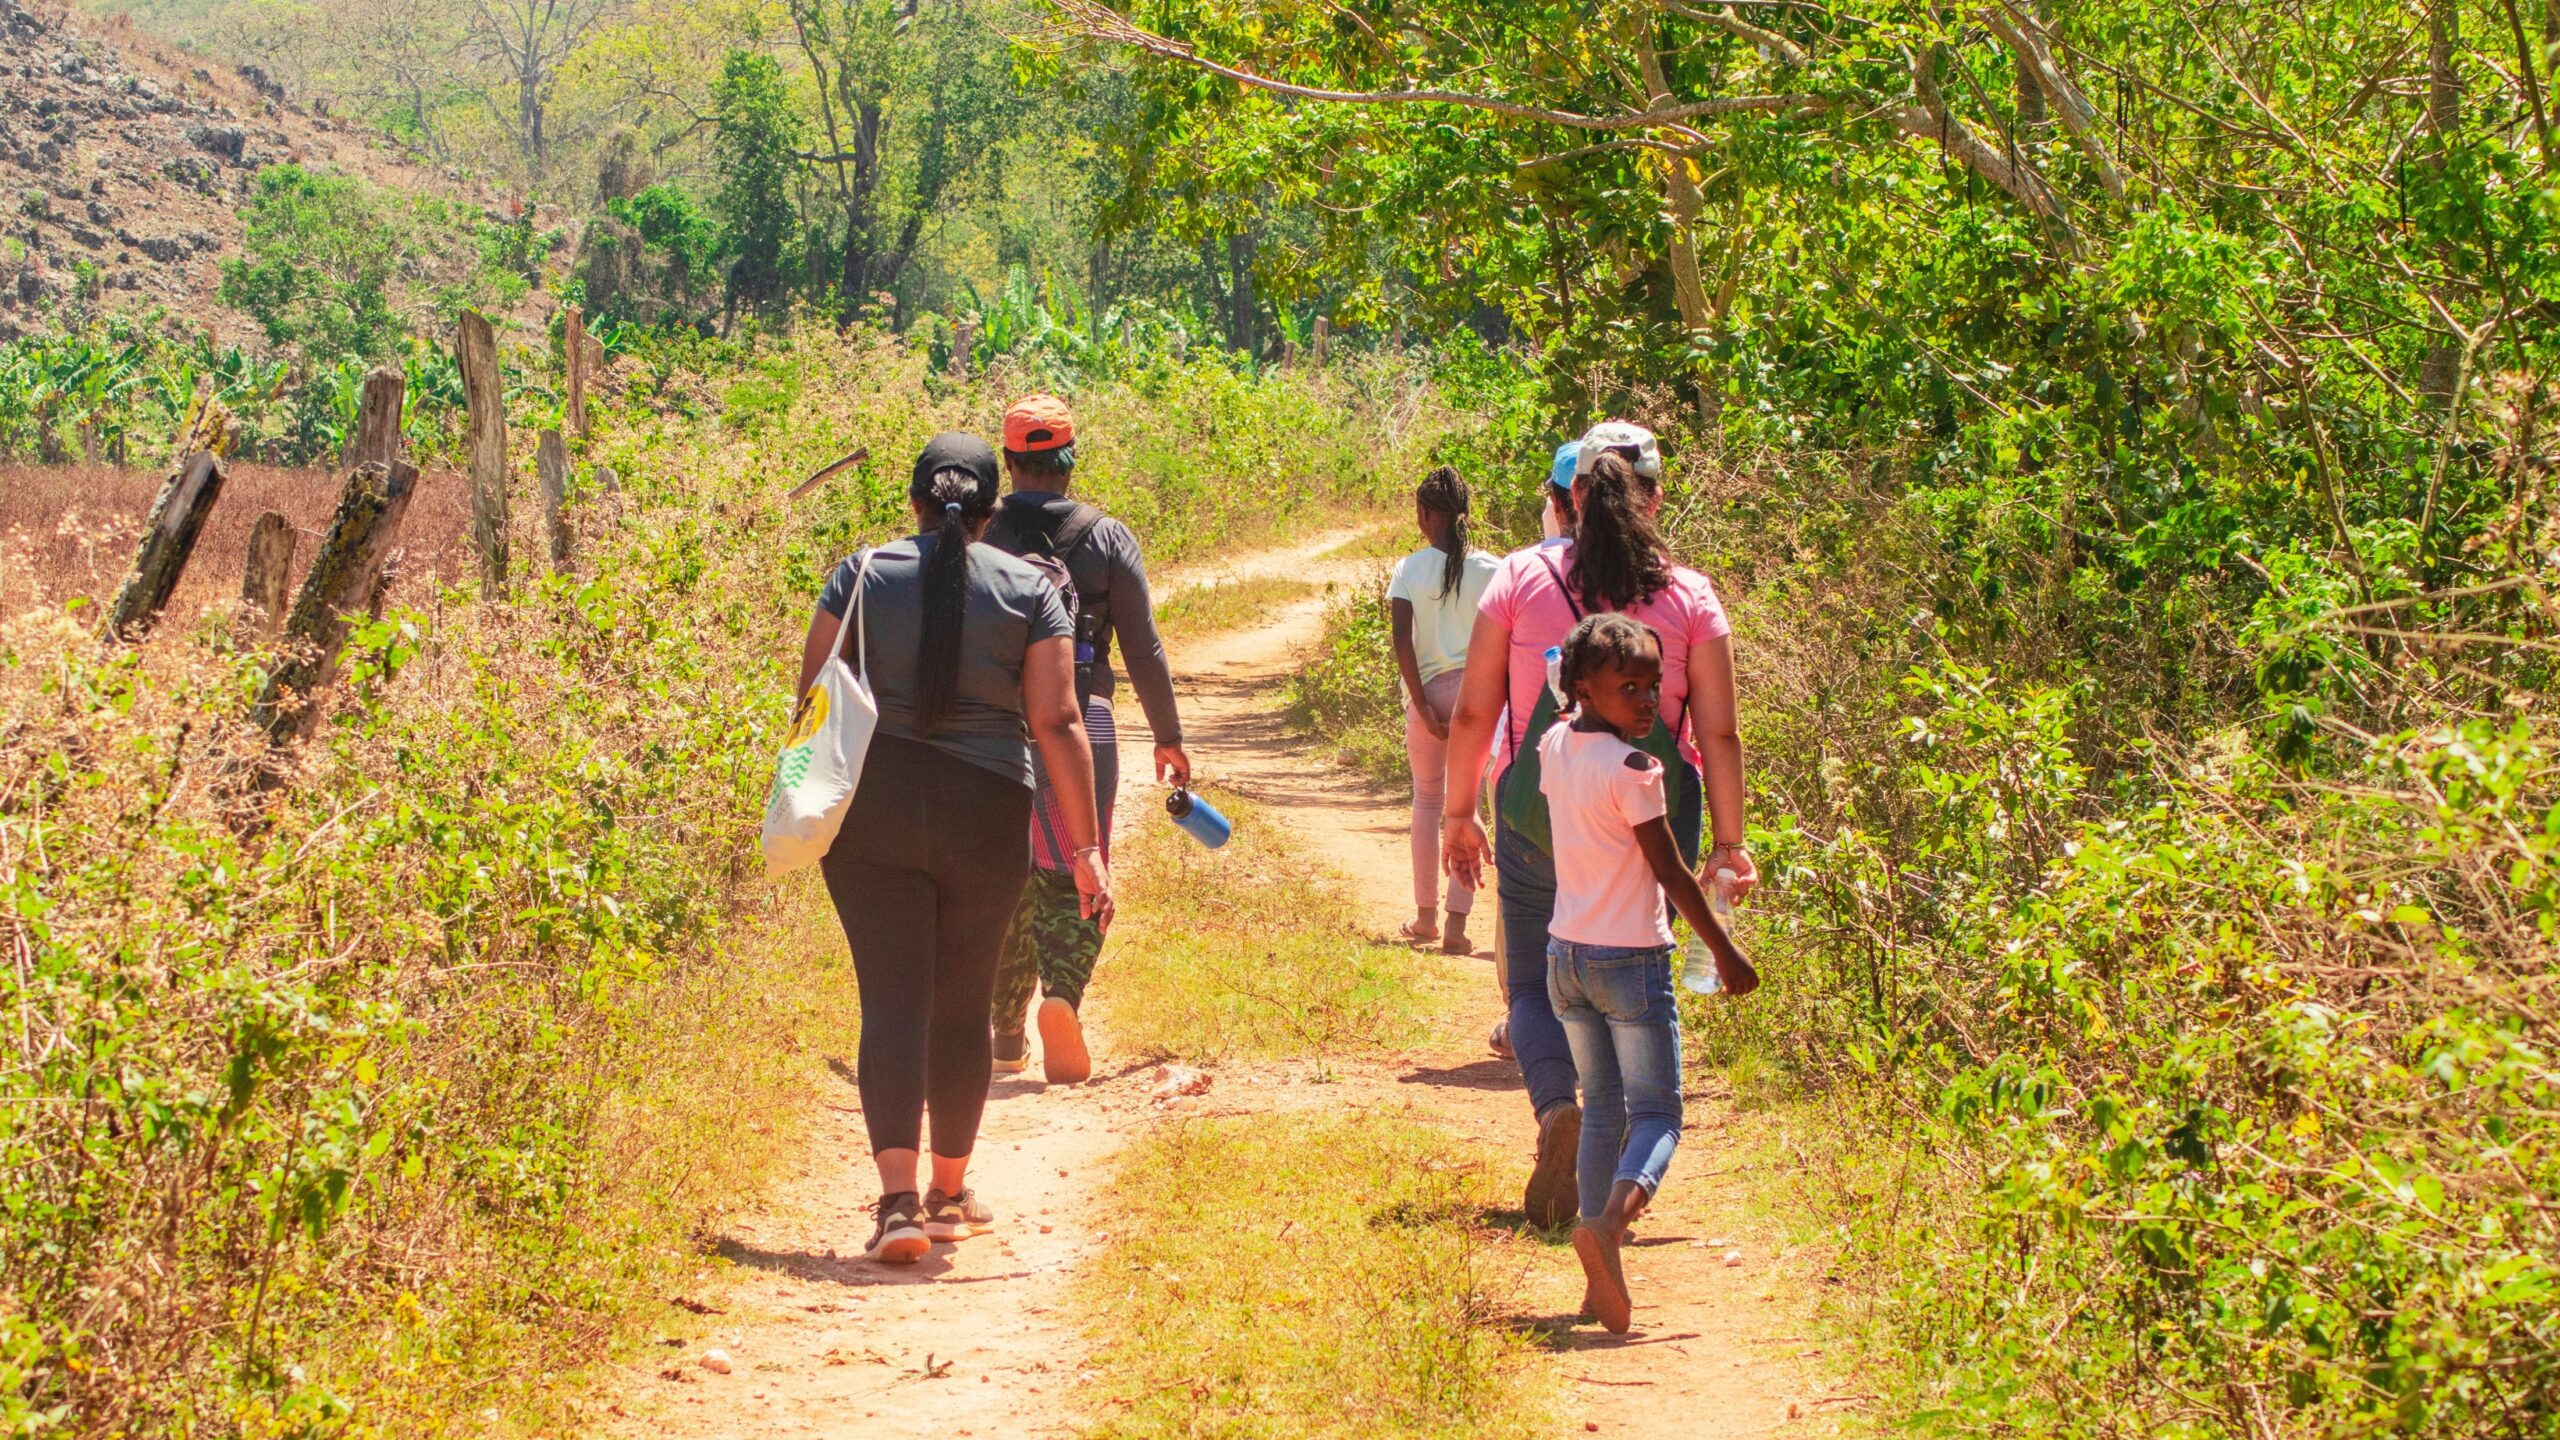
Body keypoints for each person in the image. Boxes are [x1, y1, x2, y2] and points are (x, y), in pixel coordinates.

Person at [797, 432, 1111, 1263]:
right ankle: (947, 1192)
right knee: (962, 1004)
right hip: (986, 813)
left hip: (874, 811)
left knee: (892, 1001)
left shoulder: (859, 576)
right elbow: (1057, 721)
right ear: (988, 510)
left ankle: (896, 1203)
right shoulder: (1031, 589)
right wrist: (1084, 848)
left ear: (913, 502)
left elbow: (813, 696)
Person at [1443, 429, 1758, 1230]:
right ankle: (1617, 1181)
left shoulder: (1520, 574)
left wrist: (1457, 813)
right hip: (1653, 821)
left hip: (1536, 814)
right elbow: (1717, 731)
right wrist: (1729, 842)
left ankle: (1557, 1110)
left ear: (1573, 496)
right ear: (1654, 497)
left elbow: (1479, 708)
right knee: (1638, 984)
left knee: (1532, 983)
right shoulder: (1690, 596)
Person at [1539, 612, 1758, 1332]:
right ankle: (1609, 1227)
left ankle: (1597, 1264)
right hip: (1627, 960)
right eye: (1627, 687)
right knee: (1660, 1113)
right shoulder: (1637, 771)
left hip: (1564, 956)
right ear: (1582, 688)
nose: (1645, 702)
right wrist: (1724, 951)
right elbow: (1667, 870)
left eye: (1652, 687)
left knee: (1604, 1108)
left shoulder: (1553, 746)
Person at [980, 394, 1189, 1084]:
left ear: (1010, 463)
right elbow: (1146, 648)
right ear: (1070, 461)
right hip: (1085, 720)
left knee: (1005, 875)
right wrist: (1169, 736)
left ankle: (1005, 1030)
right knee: (1080, 867)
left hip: (997, 724)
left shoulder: (979, 535)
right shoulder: (1106, 537)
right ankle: (1062, 997)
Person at [1387, 466, 1497, 953]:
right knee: (1466, 805)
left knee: (1428, 802)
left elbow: (1401, 642)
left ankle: (1425, 918)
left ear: (1425, 514)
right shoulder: (1492, 569)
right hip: (1479, 700)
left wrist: (1422, 705)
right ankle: (1457, 924)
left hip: (1427, 696)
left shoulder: (1408, 569)